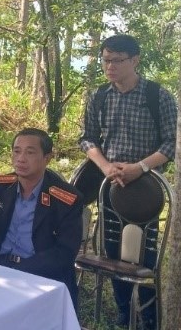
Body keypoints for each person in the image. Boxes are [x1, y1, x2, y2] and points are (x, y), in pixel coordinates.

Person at [79, 34, 176, 327]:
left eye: (117, 61)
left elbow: (172, 143)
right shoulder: (99, 97)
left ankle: (148, 316)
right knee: (111, 249)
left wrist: (140, 167)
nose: (110, 66)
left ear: (135, 60)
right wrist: (106, 166)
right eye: (105, 60)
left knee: (144, 252)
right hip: (110, 185)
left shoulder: (157, 96)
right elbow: (87, 139)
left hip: (145, 189)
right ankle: (124, 310)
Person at [0, 128, 83, 310]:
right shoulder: (2, 187)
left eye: (30, 152)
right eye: (17, 151)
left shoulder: (65, 199)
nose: (21, 159)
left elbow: (65, 252)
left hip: (40, 274)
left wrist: (20, 272)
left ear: (47, 158)